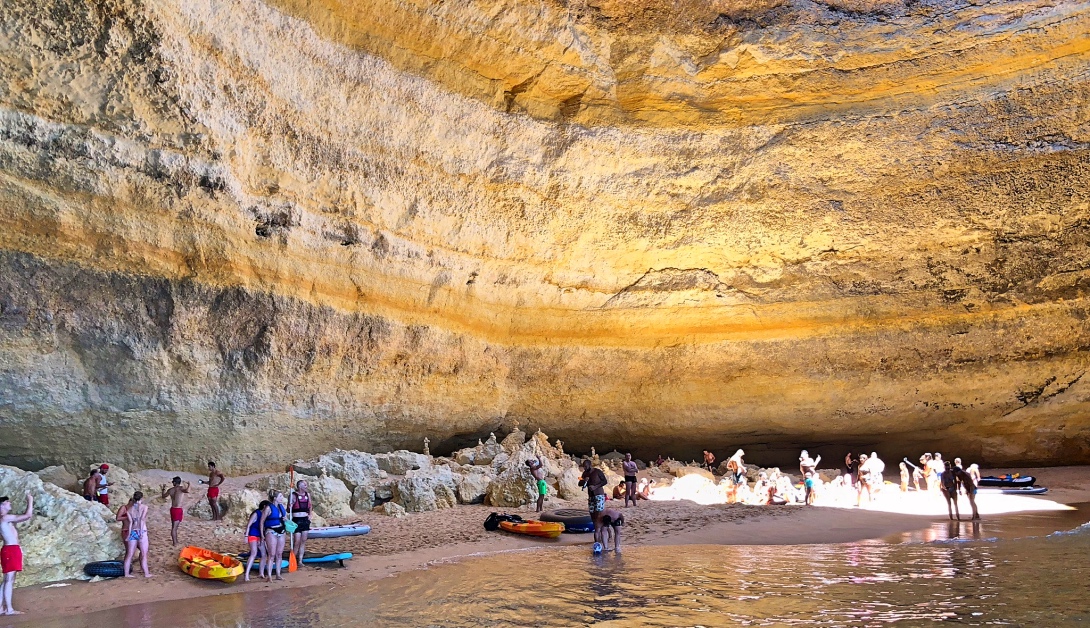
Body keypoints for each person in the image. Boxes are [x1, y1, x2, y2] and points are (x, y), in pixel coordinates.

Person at [1, 493, 33, 615]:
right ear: (2, 505)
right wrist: (30, 500)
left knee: (7, 580)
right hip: (10, 550)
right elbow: (28, 515)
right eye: (7, 502)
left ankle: (1, 607)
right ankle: (9, 609)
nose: (10, 503)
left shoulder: (5, 519)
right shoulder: (5, 518)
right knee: (9, 580)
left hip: (11, 549)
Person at [578, 460, 608, 545]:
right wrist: (584, 481)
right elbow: (579, 483)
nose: (585, 468)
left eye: (586, 466)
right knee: (592, 515)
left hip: (599, 495)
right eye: (584, 466)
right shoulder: (584, 474)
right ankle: (597, 537)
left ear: (590, 465)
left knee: (599, 515)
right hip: (591, 497)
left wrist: (595, 487)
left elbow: (605, 481)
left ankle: (602, 535)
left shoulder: (597, 471)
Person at [122, 491, 151, 578]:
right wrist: (141, 532)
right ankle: (146, 573)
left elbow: (130, 522)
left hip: (133, 531)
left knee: (129, 554)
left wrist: (129, 535)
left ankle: (126, 574)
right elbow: (142, 520)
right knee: (143, 553)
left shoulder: (130, 510)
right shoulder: (144, 507)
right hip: (142, 531)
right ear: (141, 498)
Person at [260, 490, 287, 582]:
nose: (282, 498)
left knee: (279, 554)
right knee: (272, 554)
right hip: (271, 530)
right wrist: (262, 534)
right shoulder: (268, 508)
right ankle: (269, 575)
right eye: (280, 496)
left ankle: (278, 574)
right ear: (275, 498)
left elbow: (285, 518)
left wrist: (285, 519)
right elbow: (262, 522)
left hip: (281, 530)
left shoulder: (281, 507)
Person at [244, 500, 270, 582]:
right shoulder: (256, 513)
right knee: (253, 553)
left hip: (260, 536)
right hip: (252, 534)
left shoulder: (265, 515)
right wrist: (246, 536)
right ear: (265, 507)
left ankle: (261, 573)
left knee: (264, 554)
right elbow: (249, 525)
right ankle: (247, 574)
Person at [160, 477, 190, 546]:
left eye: (173, 481)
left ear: (175, 482)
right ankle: (175, 543)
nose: (172, 483)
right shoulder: (181, 488)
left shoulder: (170, 490)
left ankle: (176, 541)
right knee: (174, 528)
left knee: (174, 526)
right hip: (178, 509)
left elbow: (163, 496)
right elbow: (187, 491)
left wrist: (163, 489)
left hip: (173, 509)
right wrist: (189, 484)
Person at [290, 480, 312, 564]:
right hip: (296, 521)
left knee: (303, 541)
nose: (306, 486)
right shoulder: (293, 495)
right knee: (296, 542)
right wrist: (290, 505)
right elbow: (289, 510)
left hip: (305, 520)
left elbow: (310, 506)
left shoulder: (308, 495)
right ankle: (293, 560)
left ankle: (300, 560)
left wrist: (310, 515)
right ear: (300, 486)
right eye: (305, 485)